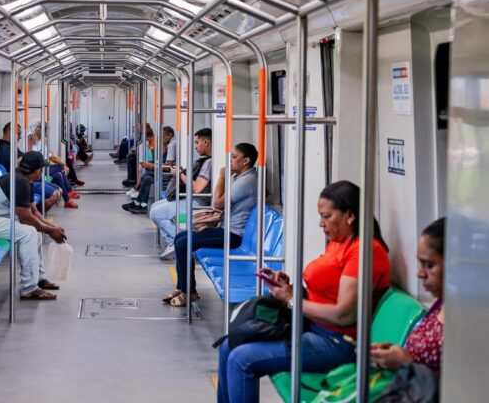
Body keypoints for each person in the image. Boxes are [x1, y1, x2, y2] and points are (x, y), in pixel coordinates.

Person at [216, 180, 391, 403]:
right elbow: (325, 291)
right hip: (311, 326)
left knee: (241, 360)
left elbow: (343, 315)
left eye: (326, 216)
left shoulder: (364, 252)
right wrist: (289, 289)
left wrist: (291, 300)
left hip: (335, 342)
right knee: (227, 346)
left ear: (349, 215)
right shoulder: (338, 242)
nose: (321, 223)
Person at [165, 144, 259, 306]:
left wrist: (222, 176)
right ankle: (182, 287)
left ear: (246, 161)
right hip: (226, 229)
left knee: (183, 243)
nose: (230, 160)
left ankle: (189, 292)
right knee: (180, 237)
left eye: (234, 157)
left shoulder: (247, 180)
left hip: (234, 235)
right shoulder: (238, 177)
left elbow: (217, 204)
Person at [0, 151, 66, 300]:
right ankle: (29, 288)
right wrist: (50, 231)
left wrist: (51, 228)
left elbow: (33, 211)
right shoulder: (20, 182)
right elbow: (26, 218)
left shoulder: (23, 180)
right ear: (37, 170)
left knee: (35, 231)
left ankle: (37, 278)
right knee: (29, 232)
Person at [371, 217, 445, 371]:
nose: (420, 273)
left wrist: (406, 362)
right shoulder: (441, 304)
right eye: (420, 263)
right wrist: (395, 353)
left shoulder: (473, 323)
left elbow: (461, 382)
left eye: (429, 265)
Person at [149, 128, 213, 252]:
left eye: (197, 142)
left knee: (156, 214)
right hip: (193, 198)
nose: (195, 147)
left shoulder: (208, 163)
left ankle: (178, 240)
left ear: (205, 142)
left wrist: (180, 174)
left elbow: (197, 188)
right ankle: (174, 241)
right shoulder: (205, 161)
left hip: (200, 202)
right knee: (154, 206)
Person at [26, 121, 79, 208]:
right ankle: (68, 193)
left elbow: (51, 156)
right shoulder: (36, 146)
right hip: (39, 170)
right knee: (60, 168)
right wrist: (64, 165)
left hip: (43, 168)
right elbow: (52, 158)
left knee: (58, 174)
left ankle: (67, 198)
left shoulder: (39, 144)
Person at [124, 126, 176, 214]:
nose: (161, 139)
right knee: (147, 174)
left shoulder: (172, 145)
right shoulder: (171, 143)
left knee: (147, 178)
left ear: (169, 135)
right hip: (167, 171)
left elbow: (167, 167)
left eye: (163, 137)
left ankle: (141, 204)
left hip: (169, 174)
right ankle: (139, 202)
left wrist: (151, 165)